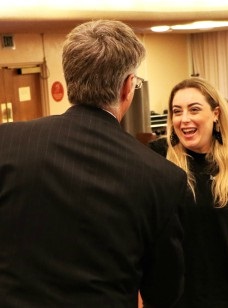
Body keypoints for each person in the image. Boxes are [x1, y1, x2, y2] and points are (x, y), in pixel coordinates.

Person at [0, 20, 188, 307]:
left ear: (67, 80)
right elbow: (163, 292)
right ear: (128, 87)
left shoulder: (8, 143)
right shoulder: (160, 177)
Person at [151, 77, 228, 307]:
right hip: (171, 296)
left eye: (194, 109)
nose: (184, 119)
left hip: (224, 292)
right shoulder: (159, 157)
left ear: (216, 113)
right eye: (177, 111)